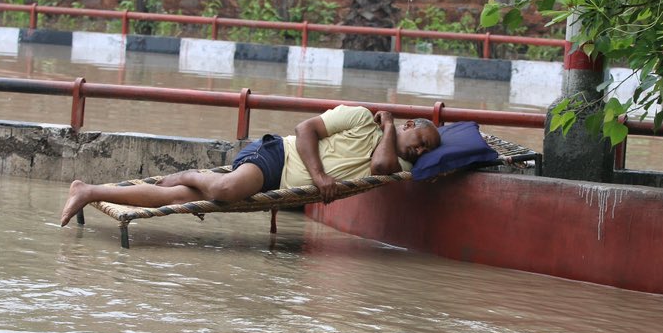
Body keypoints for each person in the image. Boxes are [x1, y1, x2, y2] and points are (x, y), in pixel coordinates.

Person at [60, 105, 441, 226]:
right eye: (420, 142)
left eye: (426, 151)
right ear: (411, 125)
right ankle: (190, 174)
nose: (420, 152)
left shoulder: (400, 167)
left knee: (172, 198)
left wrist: (389, 126)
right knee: (224, 189)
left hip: (273, 183)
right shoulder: (359, 116)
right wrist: (321, 176)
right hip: (277, 155)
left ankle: (88, 190)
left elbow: (380, 167)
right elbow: (304, 128)